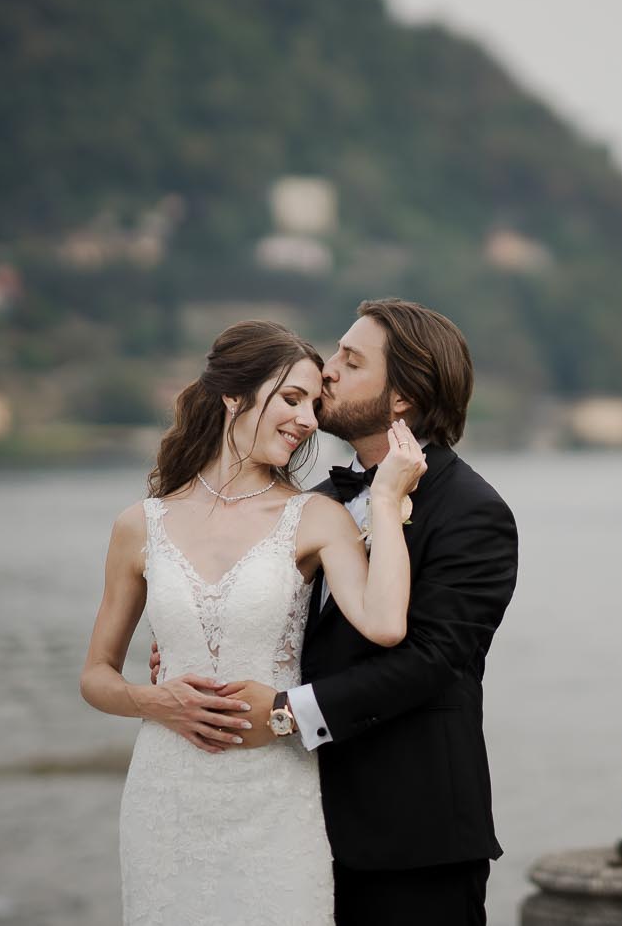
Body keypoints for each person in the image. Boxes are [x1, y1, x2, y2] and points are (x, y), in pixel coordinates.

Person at [149, 298, 520, 926]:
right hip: (289, 827)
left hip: (410, 841)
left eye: (350, 362)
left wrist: (286, 713)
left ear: (400, 397)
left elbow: (429, 661)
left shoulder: (472, 511)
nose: (327, 374)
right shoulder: (309, 506)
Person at [79, 319, 427, 925]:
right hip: (166, 798)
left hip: (275, 796)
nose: (309, 420)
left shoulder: (315, 517)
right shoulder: (140, 524)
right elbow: (96, 676)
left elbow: (385, 624)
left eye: (314, 405)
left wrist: (386, 502)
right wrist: (155, 701)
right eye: (291, 399)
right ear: (233, 396)